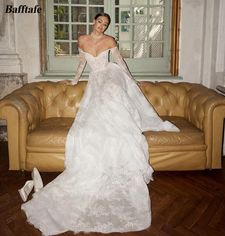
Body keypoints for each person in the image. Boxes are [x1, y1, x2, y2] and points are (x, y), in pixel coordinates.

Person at [19, 13, 179, 235]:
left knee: (115, 106)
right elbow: (82, 61)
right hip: (95, 80)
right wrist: (75, 80)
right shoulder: (82, 39)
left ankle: (121, 140)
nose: (102, 26)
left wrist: (130, 80)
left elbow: (120, 62)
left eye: (105, 24)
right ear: (93, 22)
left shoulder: (110, 41)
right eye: (99, 22)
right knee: (93, 116)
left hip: (110, 77)